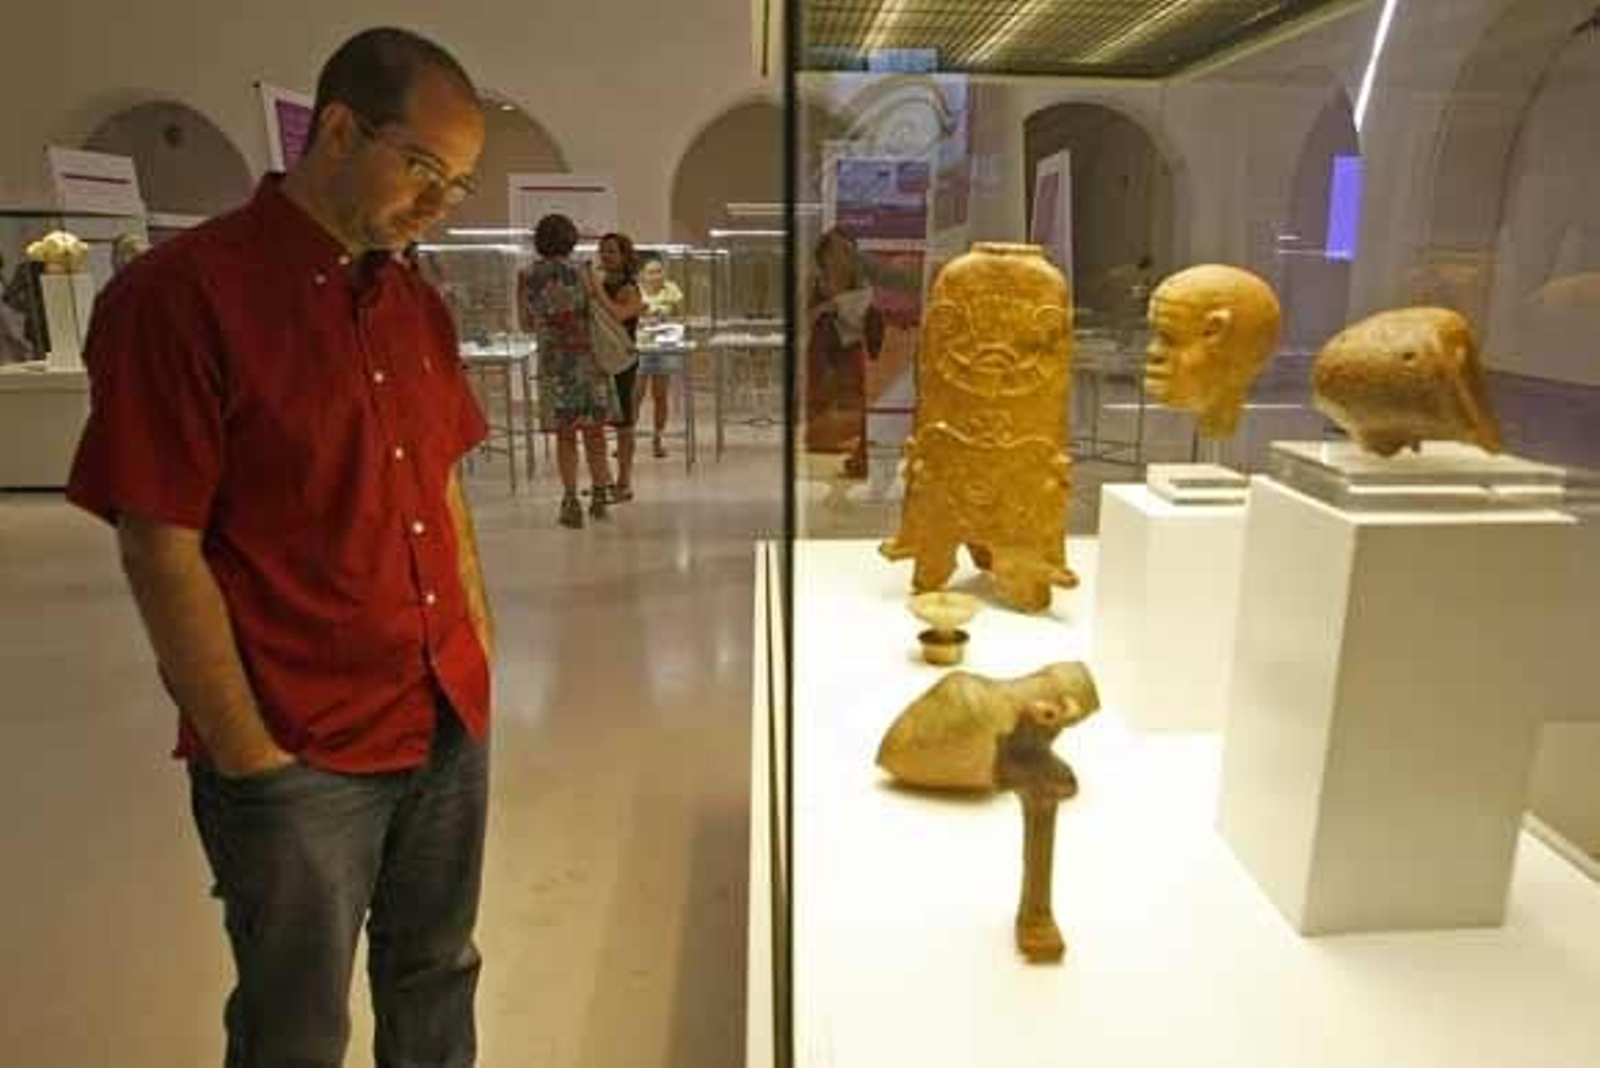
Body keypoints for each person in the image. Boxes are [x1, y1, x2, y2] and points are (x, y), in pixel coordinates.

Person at [65, 27, 494, 1068]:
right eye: (425, 169)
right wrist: (249, 755)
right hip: (298, 747)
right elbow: (160, 548)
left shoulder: (413, 303)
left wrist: (477, 643)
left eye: (459, 184)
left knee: (435, 974)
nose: (439, 202)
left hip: (443, 713)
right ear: (339, 130)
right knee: (295, 1025)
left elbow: (439, 484)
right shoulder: (179, 299)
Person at [525, 212, 619, 527]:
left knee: (565, 437)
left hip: (555, 365)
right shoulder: (583, 272)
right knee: (595, 434)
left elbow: (526, 324)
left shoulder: (526, 276)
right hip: (589, 362)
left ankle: (570, 501)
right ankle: (600, 496)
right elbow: (607, 310)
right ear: (571, 240)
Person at [805, 226, 882, 478]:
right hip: (826, 364)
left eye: (846, 252)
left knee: (853, 406)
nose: (840, 259)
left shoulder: (862, 291)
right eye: (834, 253)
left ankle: (858, 446)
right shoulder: (817, 288)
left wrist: (836, 305)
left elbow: (864, 321)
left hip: (851, 362)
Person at [594, 231, 645, 497]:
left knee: (624, 424)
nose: (605, 255)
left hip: (623, 362)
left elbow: (619, 314)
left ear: (624, 256)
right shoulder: (600, 283)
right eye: (603, 250)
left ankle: (624, 481)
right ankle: (603, 479)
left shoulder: (629, 287)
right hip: (601, 361)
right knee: (599, 422)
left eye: (612, 251)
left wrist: (597, 289)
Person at [636, 254, 684, 458]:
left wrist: (667, 318)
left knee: (660, 396)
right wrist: (641, 319)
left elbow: (683, 316)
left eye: (659, 271)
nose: (656, 276)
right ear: (642, 274)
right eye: (651, 272)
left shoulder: (671, 289)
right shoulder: (633, 290)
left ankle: (657, 440)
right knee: (634, 397)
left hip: (664, 347)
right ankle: (625, 439)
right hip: (638, 348)